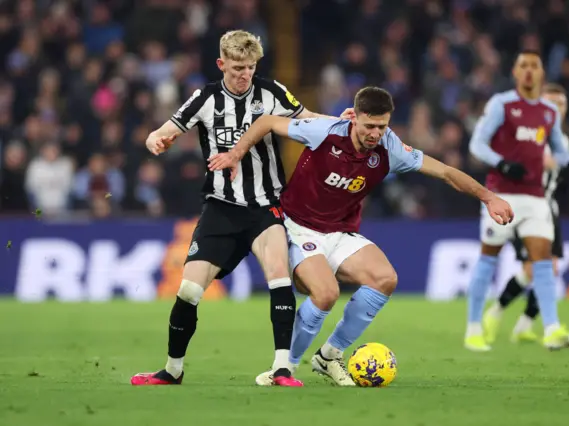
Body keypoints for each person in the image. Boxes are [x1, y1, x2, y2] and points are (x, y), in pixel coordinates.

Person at [210, 86, 513, 386]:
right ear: (354, 118)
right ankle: (285, 368)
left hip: (340, 232)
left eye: (382, 126)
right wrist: (236, 153)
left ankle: (329, 356)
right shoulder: (324, 131)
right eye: (369, 126)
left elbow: (446, 171)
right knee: (326, 294)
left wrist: (489, 198)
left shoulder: (391, 148)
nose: (375, 133)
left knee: (385, 278)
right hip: (297, 227)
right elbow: (267, 122)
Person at [131, 30, 334, 387]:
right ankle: (172, 370)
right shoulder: (205, 98)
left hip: (264, 207)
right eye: (238, 67)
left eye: (251, 67)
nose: (244, 75)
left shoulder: (272, 92)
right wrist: (154, 139)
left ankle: (283, 368)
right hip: (220, 208)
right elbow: (165, 129)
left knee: (279, 276)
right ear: (221, 64)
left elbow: (308, 118)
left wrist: (341, 123)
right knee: (189, 292)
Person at [464, 50, 569, 352]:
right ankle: (474, 328)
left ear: (542, 73)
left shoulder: (548, 111)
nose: (529, 71)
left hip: (535, 198)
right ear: (515, 73)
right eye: (524, 66)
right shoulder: (501, 105)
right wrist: (502, 163)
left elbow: (559, 147)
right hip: (501, 195)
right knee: (488, 257)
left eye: (535, 66)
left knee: (543, 260)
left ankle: (552, 328)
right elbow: (477, 144)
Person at [483, 83, 569, 344]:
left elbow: (555, 175)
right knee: (538, 268)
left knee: (545, 269)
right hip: (525, 208)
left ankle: (521, 324)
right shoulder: (526, 133)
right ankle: (499, 313)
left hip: (548, 209)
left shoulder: (561, 139)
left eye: (562, 104)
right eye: (552, 103)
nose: (557, 109)